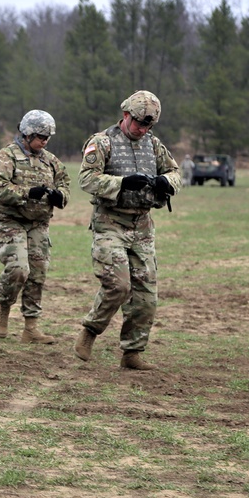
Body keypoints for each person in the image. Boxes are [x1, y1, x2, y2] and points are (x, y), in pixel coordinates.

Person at [72, 90, 181, 369]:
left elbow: (176, 172)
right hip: (110, 223)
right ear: (125, 115)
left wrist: (166, 183)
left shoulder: (153, 145)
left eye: (148, 126)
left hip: (142, 226)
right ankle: (90, 330)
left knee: (146, 296)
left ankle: (132, 352)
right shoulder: (102, 142)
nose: (142, 129)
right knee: (119, 285)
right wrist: (121, 183)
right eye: (139, 123)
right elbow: (86, 179)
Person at [0, 109, 71, 344]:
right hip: (12, 220)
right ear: (26, 134)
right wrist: (28, 193)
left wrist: (60, 196)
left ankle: (31, 327)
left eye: (47, 138)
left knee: (37, 273)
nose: (44, 142)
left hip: (39, 223)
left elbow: (65, 183)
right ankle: (4, 309)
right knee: (18, 269)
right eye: (40, 137)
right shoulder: (8, 156)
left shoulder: (50, 160)